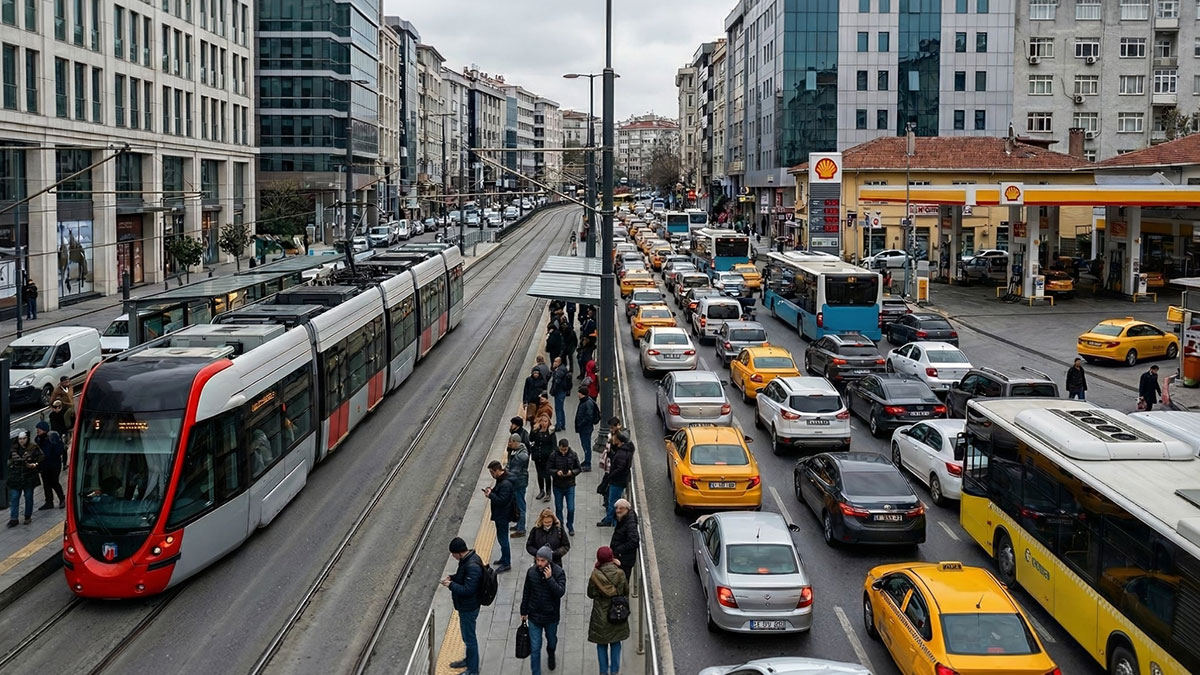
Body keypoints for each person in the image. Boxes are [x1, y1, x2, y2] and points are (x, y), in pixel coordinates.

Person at [520, 545, 567, 675]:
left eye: (542, 560)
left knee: (552, 640)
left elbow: (560, 592)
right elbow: (526, 592)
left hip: (551, 616)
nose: (539, 563)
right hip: (534, 616)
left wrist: (550, 579)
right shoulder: (531, 572)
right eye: (537, 560)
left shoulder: (558, 572)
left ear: (549, 560)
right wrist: (523, 612)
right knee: (535, 648)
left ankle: (551, 652)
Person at [441, 537, 484, 675]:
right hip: (466, 606)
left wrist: (451, 585)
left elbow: (468, 589)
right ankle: (468, 660)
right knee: (467, 637)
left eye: (453, 554)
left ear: (459, 552)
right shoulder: (467, 560)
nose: (453, 557)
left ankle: (473, 670)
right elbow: (463, 577)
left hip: (469, 607)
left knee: (470, 639)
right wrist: (452, 577)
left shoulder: (472, 566)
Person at [588, 546, 630, 675]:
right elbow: (625, 591)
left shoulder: (595, 575)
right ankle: (614, 671)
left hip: (600, 614)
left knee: (601, 643)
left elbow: (590, 593)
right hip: (616, 611)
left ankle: (603, 672)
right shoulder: (619, 573)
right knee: (616, 642)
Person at [483, 460, 515, 572]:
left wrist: (490, 495)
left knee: (503, 539)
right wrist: (492, 491)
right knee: (501, 537)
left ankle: (507, 562)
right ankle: (504, 558)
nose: (491, 475)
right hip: (500, 514)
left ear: (497, 470)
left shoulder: (505, 483)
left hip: (503, 515)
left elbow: (502, 500)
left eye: (492, 472)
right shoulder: (501, 480)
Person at [7, 431, 43, 527]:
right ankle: (13, 518)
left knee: (28, 497)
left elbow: (41, 458)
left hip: (29, 477)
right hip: (16, 477)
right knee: (14, 497)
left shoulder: (33, 448)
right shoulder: (13, 450)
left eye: (24, 439)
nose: (22, 441)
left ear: (27, 439)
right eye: (20, 439)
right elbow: (8, 460)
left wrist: (34, 464)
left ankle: (27, 516)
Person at [547, 439, 581, 536]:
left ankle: (570, 525)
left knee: (571, 508)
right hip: (558, 486)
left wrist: (572, 472)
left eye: (565, 450)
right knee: (559, 507)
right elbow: (548, 468)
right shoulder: (553, 455)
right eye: (562, 449)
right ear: (559, 447)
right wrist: (556, 472)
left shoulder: (573, 455)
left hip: (570, 485)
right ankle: (559, 526)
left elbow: (579, 468)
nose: (564, 452)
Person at [598, 433, 633, 526]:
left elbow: (620, 467)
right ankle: (612, 519)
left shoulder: (622, 453)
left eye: (614, 437)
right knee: (613, 500)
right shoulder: (624, 450)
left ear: (618, 441)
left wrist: (611, 475)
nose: (612, 438)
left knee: (613, 501)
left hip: (617, 481)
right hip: (620, 480)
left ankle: (611, 520)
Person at [33, 422, 65, 510]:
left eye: (39, 429)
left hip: (54, 465)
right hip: (44, 465)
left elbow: (59, 450)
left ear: (44, 430)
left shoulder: (52, 438)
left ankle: (62, 498)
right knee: (46, 484)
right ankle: (49, 502)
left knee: (54, 482)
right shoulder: (38, 440)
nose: (37, 431)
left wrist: (51, 456)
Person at [506, 433, 530, 538]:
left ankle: (521, 529)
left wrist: (506, 474)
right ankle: (519, 524)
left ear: (515, 442)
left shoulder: (521, 454)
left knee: (521, 506)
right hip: (516, 481)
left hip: (519, 482)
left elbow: (515, 469)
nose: (509, 444)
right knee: (517, 505)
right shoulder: (514, 451)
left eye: (510, 442)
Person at [609, 499, 640, 578]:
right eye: (616, 508)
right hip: (621, 558)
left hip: (624, 560)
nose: (618, 510)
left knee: (622, 581)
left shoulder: (630, 523)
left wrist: (618, 550)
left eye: (621, 508)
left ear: (627, 509)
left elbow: (634, 541)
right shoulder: (623, 518)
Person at [529, 415, 557, 501]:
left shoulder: (551, 432)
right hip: (538, 456)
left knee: (547, 475)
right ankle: (541, 490)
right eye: (542, 421)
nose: (544, 423)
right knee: (540, 474)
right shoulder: (537, 431)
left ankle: (548, 492)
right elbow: (531, 439)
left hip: (547, 457)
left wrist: (553, 457)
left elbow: (554, 445)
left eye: (546, 421)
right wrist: (533, 430)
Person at [575, 387, 601, 472]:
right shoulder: (585, 401)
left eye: (579, 393)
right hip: (584, 428)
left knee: (586, 445)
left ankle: (588, 464)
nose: (577, 394)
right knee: (584, 444)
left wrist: (581, 423)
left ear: (582, 394)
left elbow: (588, 416)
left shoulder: (587, 403)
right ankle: (586, 461)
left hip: (585, 428)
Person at [549, 357, 571, 431]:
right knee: (561, 408)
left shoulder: (559, 370)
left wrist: (553, 391)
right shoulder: (563, 368)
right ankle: (562, 424)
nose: (554, 362)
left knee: (558, 409)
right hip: (562, 391)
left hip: (559, 392)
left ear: (559, 362)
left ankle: (559, 425)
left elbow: (557, 381)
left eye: (555, 361)